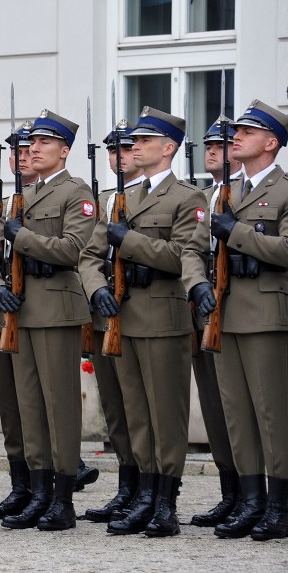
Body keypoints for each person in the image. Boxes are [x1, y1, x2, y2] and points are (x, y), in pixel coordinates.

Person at [81, 107, 206, 537]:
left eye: (145, 140)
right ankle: (145, 495)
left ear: (168, 148)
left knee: (164, 414)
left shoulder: (188, 197)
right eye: (134, 140)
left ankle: (165, 502)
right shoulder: (120, 198)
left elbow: (183, 256)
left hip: (163, 314)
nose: (135, 146)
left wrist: (129, 241)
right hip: (122, 314)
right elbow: (89, 256)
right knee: (136, 414)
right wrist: (96, 287)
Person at [190, 99, 288, 541]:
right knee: (237, 412)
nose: (235, 136)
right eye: (236, 130)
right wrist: (196, 283)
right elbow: (193, 249)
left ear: (271, 143)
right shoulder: (223, 191)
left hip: (266, 312)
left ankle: (277, 508)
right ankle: (250, 502)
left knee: (272, 412)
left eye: (247, 132)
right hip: (223, 309)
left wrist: (235, 232)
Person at [0, 110, 94, 531]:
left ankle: (63, 498)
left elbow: (71, 249)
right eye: (31, 144)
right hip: (17, 310)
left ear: (64, 150)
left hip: (55, 310)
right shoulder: (18, 198)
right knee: (29, 407)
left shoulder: (74, 191)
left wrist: (20, 235)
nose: (34, 149)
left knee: (59, 406)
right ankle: (39, 491)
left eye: (44, 143)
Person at [81, 120, 145, 523]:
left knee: (141, 407)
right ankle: (126, 487)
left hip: (142, 306)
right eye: (112, 151)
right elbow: (86, 253)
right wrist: (96, 288)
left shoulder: (152, 195)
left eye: (124, 149)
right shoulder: (102, 199)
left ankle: (148, 490)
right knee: (115, 407)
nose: (117, 157)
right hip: (104, 313)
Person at [187, 117, 243, 528]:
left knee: (245, 406)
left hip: (243, 308)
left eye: (220, 143)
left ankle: (258, 493)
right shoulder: (202, 197)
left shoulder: (251, 193)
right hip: (203, 310)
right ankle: (230, 492)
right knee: (213, 404)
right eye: (207, 144)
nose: (211, 150)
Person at [0, 122, 36, 521]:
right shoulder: (5, 205)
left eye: (28, 149)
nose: (22, 157)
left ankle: (45, 484)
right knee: (11, 406)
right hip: (4, 311)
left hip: (41, 309)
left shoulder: (69, 196)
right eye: (15, 151)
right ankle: (21, 484)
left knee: (39, 404)